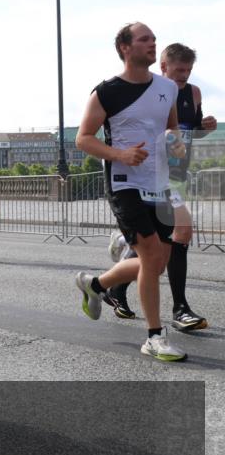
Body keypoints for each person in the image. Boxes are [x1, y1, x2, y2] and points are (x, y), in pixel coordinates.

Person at [73, 22, 188, 362]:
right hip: (126, 183)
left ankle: (95, 285)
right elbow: (83, 138)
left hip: (160, 182)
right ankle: (154, 336)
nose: (153, 43)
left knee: (156, 263)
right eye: (144, 39)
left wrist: (177, 143)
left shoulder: (167, 87)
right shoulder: (106, 92)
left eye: (154, 38)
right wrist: (121, 154)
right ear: (125, 47)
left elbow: (171, 128)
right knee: (151, 259)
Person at [103, 43, 217, 331]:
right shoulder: (153, 92)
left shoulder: (192, 93)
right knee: (181, 233)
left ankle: (111, 285)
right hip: (150, 176)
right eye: (179, 70)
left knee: (157, 250)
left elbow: (185, 133)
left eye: (189, 71)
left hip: (175, 175)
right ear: (163, 67)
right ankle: (179, 309)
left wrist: (204, 128)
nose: (184, 77)